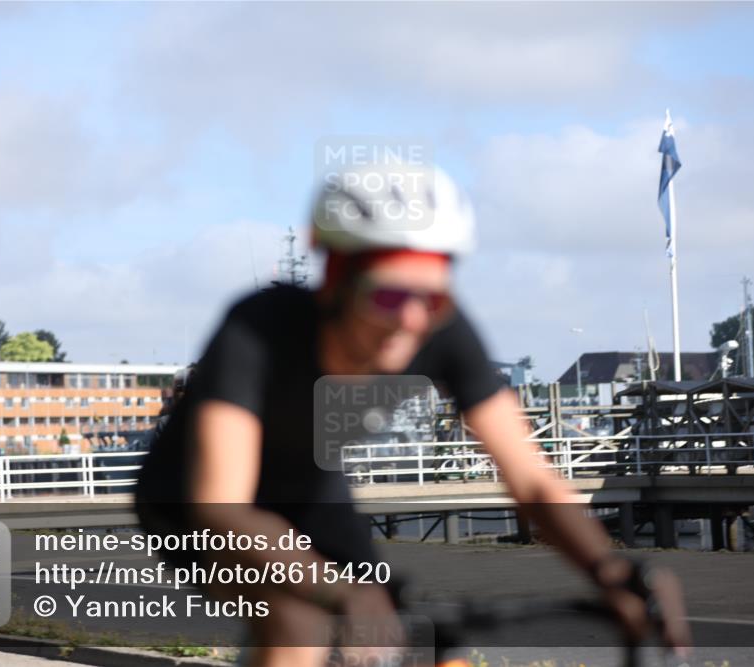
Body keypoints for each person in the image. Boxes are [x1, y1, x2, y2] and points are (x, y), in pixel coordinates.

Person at [136, 162, 692, 667]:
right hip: (196, 503)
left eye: (431, 297)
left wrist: (612, 571)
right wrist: (338, 591)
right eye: (385, 296)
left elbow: (531, 480)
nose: (409, 319)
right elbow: (221, 505)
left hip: (309, 490)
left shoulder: (440, 325)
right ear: (335, 282)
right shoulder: (258, 329)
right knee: (299, 621)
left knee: (414, 643)